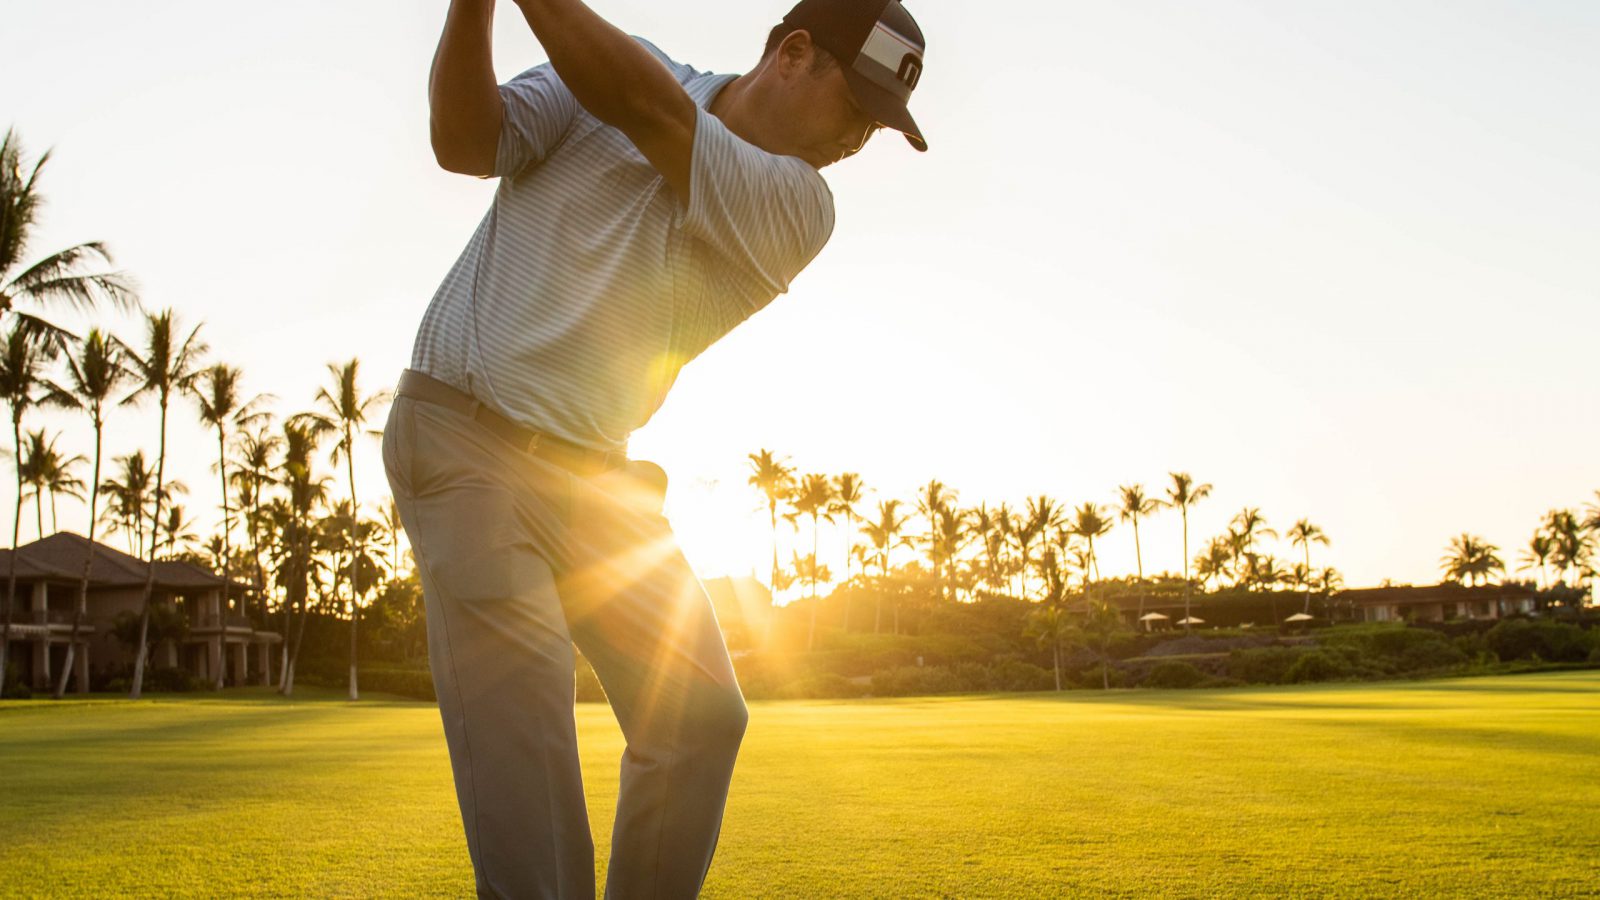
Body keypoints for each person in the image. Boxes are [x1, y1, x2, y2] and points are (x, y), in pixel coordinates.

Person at [382, 0, 928, 896]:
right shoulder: (612, 68)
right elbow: (466, 144)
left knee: (702, 715)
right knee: (528, 739)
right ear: (794, 54)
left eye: (880, 126)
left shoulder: (800, 206)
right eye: (858, 110)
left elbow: (650, 115)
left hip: (597, 479)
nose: (857, 142)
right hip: (464, 439)